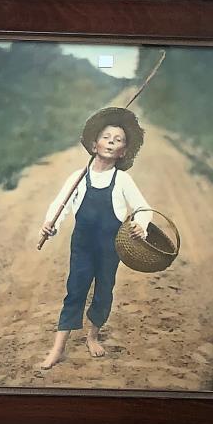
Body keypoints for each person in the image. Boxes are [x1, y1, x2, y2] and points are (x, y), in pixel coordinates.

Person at [37, 107, 152, 369]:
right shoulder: (78, 177)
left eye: (118, 139)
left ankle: (92, 336)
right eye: (106, 136)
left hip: (110, 247)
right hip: (83, 244)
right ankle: (58, 348)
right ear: (93, 144)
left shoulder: (122, 180)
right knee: (75, 289)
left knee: (104, 290)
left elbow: (144, 208)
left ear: (123, 151)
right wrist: (49, 225)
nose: (111, 141)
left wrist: (140, 224)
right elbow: (59, 207)